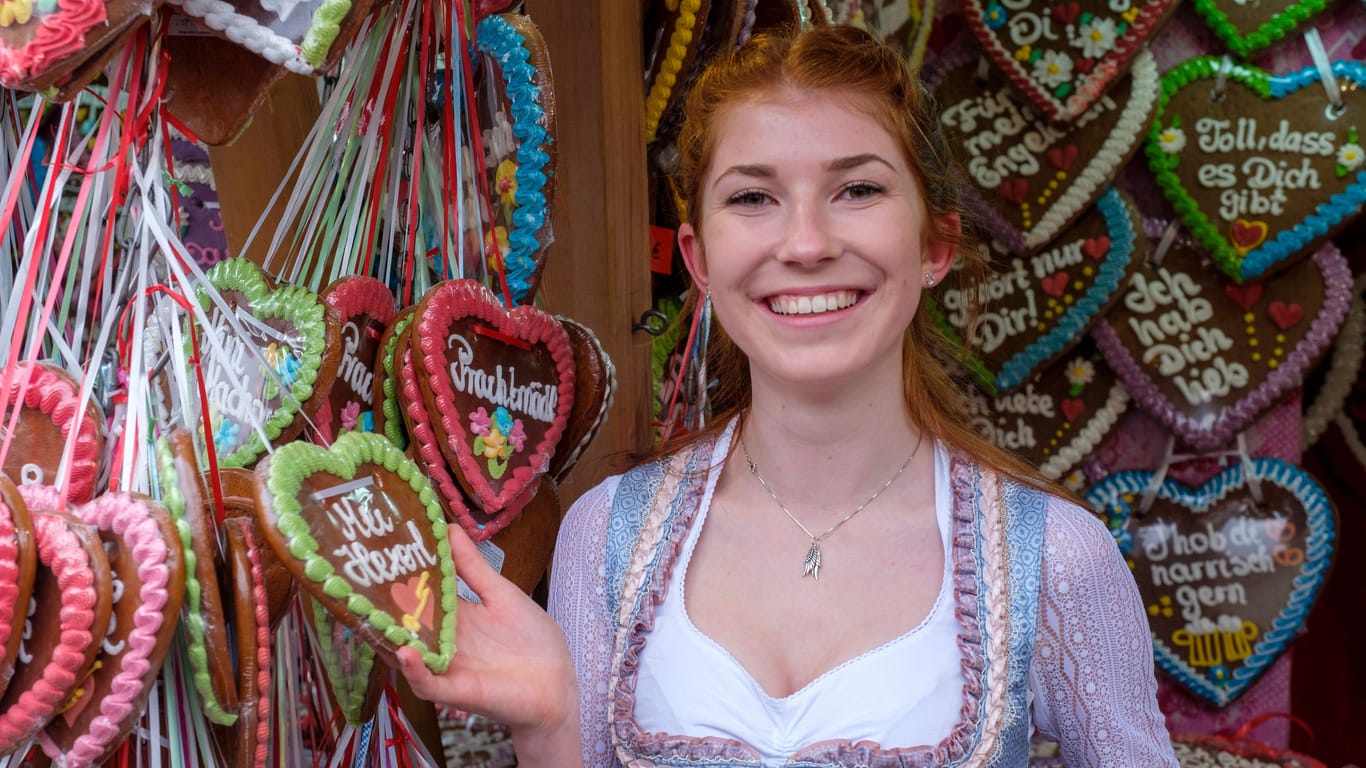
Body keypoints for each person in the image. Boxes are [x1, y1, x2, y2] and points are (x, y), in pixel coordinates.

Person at [398, 24, 1178, 768]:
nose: (805, 244)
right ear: (700, 260)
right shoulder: (606, 538)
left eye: (858, 189)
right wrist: (549, 726)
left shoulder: (1058, 559)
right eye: (752, 198)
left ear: (935, 244)